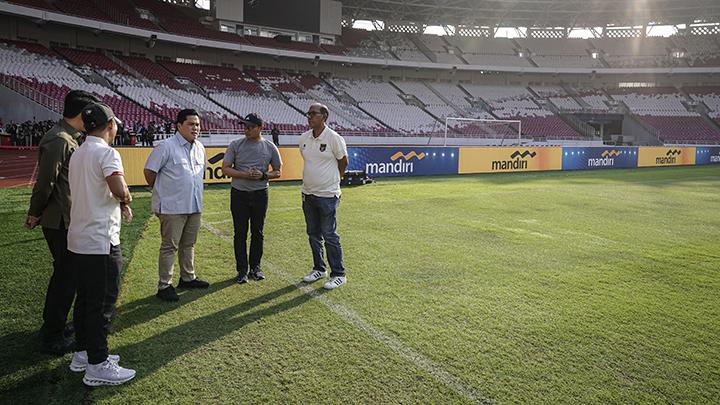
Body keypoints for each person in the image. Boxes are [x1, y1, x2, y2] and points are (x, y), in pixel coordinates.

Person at [25, 90, 100, 355]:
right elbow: (46, 183)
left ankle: (56, 325)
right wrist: (35, 212)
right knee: (66, 278)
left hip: (69, 220)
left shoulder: (71, 138)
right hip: (60, 222)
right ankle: (52, 334)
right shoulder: (59, 140)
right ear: (82, 114)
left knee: (69, 276)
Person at [67, 102, 135, 386]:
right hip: (100, 240)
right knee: (102, 303)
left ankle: (83, 353)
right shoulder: (107, 153)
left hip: (79, 237)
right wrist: (126, 199)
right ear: (110, 125)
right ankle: (97, 362)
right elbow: (118, 188)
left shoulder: (79, 152)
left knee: (85, 299)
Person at [144, 109, 209, 302]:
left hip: (194, 205)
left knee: (189, 244)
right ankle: (164, 285)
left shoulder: (200, 147)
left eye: (197, 124)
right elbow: (149, 172)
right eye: (191, 124)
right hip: (172, 207)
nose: (195, 128)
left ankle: (188, 277)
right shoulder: (166, 146)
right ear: (179, 126)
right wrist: (163, 193)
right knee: (169, 246)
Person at [221, 113, 282, 284]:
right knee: (240, 233)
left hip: (260, 194)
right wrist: (244, 175)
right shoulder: (236, 145)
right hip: (239, 193)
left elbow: (278, 171)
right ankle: (241, 270)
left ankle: (255, 267)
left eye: (250, 127)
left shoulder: (270, 147)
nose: (246, 130)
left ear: (260, 128)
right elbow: (225, 168)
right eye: (244, 126)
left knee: (258, 232)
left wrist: (263, 175)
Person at [299, 103, 349, 290]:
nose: (309, 116)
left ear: (324, 116)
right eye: (308, 113)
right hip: (308, 193)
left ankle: (339, 274)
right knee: (313, 233)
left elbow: (343, 162)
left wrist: (334, 180)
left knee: (329, 234)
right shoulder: (304, 138)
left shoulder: (334, 138)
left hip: (328, 195)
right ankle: (319, 268)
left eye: (313, 113)